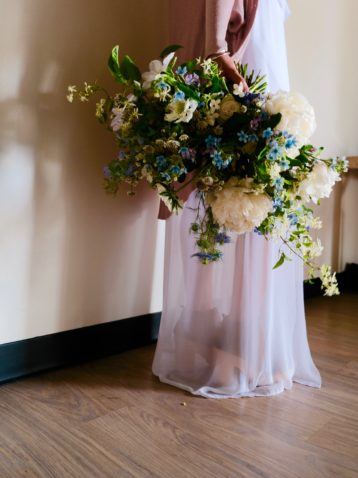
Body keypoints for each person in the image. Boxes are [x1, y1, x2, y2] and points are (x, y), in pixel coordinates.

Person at [152, 0, 322, 398]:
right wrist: (218, 50)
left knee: (229, 185)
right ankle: (235, 342)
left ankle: (220, 334)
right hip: (237, 47)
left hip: (234, 40)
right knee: (246, 186)